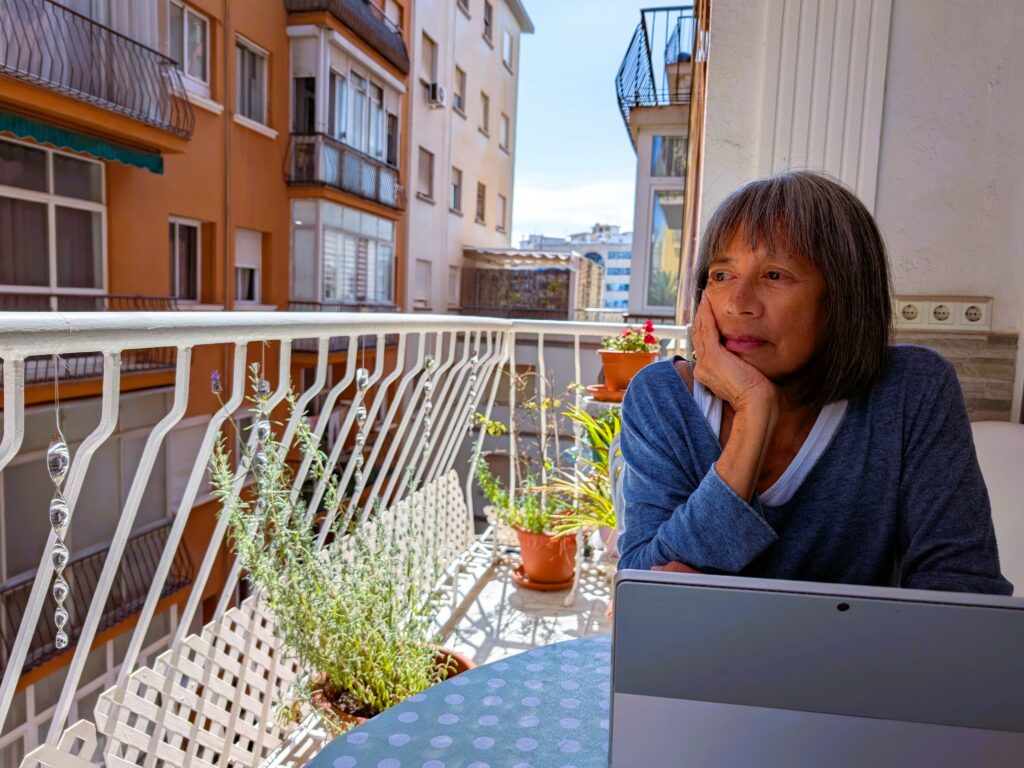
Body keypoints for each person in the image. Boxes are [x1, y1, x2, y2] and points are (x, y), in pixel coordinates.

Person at [617, 171, 1012, 595]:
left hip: (860, 664)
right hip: (700, 664)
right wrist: (753, 415)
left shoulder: (911, 390)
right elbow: (642, 585)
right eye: (721, 275)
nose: (737, 304)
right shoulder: (663, 397)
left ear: (843, 296)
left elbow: (963, 590)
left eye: (775, 275)